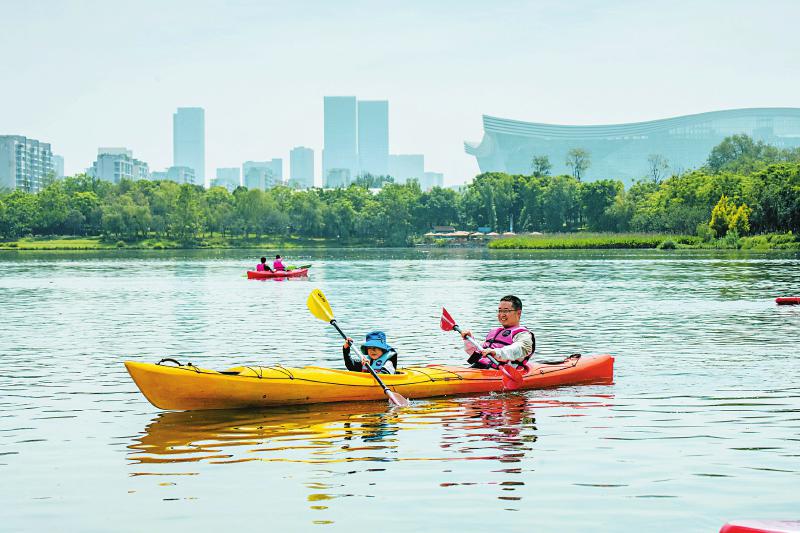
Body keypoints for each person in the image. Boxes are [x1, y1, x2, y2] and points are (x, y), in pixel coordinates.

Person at [460, 295, 535, 370]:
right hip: (479, 369)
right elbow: (474, 352)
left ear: (518, 313)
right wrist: (468, 339)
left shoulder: (523, 335)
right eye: (500, 311)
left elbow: (518, 349)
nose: (502, 314)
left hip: (500, 374)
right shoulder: (495, 333)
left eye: (506, 311)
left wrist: (496, 352)